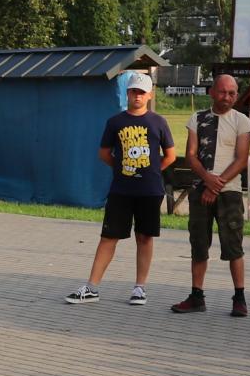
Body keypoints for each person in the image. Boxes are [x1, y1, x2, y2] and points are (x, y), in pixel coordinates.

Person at [66, 71, 176, 306]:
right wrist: (122, 167)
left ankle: (139, 288)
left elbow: (170, 155)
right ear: (127, 93)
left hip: (150, 191)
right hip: (121, 190)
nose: (137, 96)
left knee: (144, 237)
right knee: (109, 237)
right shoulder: (115, 122)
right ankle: (92, 287)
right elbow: (104, 153)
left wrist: (152, 170)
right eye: (133, 91)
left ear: (150, 95)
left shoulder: (158, 122)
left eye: (142, 92)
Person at [173, 73, 250, 316]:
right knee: (198, 243)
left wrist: (215, 186)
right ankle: (197, 296)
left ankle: (239, 298)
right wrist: (207, 180)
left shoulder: (241, 121)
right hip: (200, 190)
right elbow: (191, 155)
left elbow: (241, 159)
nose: (227, 97)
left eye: (232, 93)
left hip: (229, 192)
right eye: (222, 92)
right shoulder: (197, 118)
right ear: (212, 92)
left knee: (233, 245)